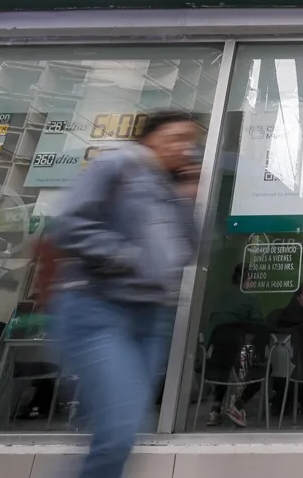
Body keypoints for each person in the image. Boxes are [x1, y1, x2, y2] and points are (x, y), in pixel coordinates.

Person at [49, 110, 201, 478]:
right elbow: (69, 225)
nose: (185, 147)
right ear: (151, 137)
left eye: (191, 141)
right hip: (99, 309)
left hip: (149, 317)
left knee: (124, 428)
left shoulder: (168, 188)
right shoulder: (117, 166)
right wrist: (127, 257)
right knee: (117, 431)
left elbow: (190, 248)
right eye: (177, 136)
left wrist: (186, 197)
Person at [205, 263, 264, 427]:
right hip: (238, 350)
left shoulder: (219, 297)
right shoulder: (251, 298)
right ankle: (237, 406)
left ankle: (215, 410)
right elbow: (258, 327)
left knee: (223, 369)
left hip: (213, 353)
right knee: (262, 370)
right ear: (249, 279)